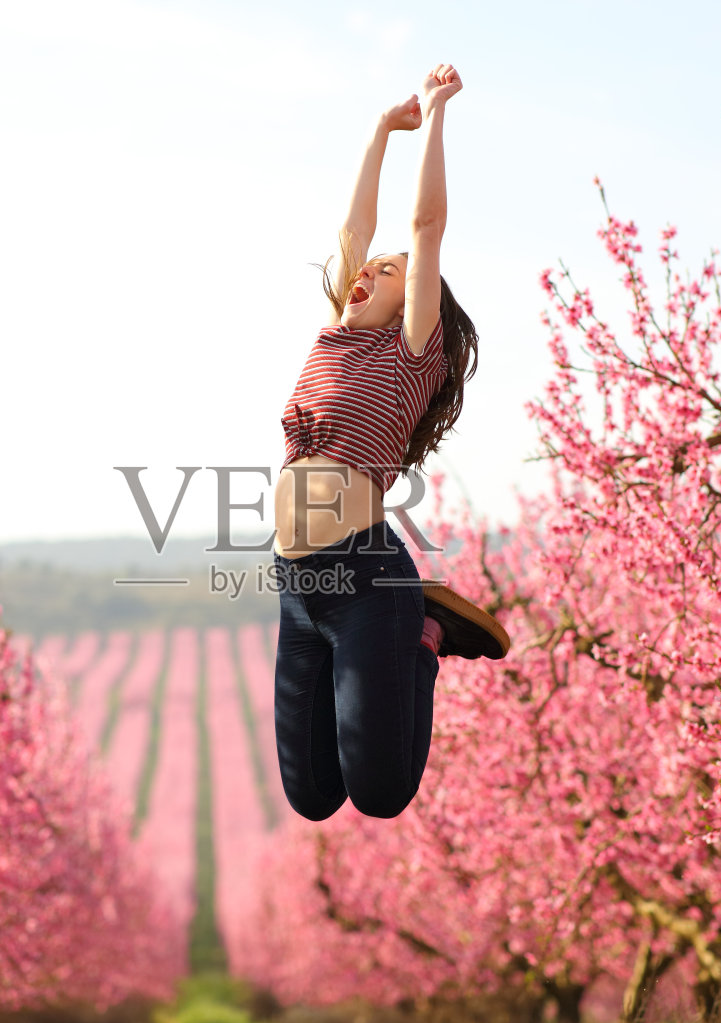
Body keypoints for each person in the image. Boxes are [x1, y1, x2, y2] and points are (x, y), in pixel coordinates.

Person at [273, 63, 510, 823]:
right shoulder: (333, 335)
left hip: (365, 576)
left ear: (415, 302)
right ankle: (414, 629)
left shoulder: (408, 353)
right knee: (313, 797)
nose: (367, 270)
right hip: (296, 583)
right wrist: (380, 130)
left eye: (388, 272)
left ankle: (427, 636)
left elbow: (424, 228)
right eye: (367, 268)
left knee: (381, 795)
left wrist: (434, 115)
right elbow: (353, 232)